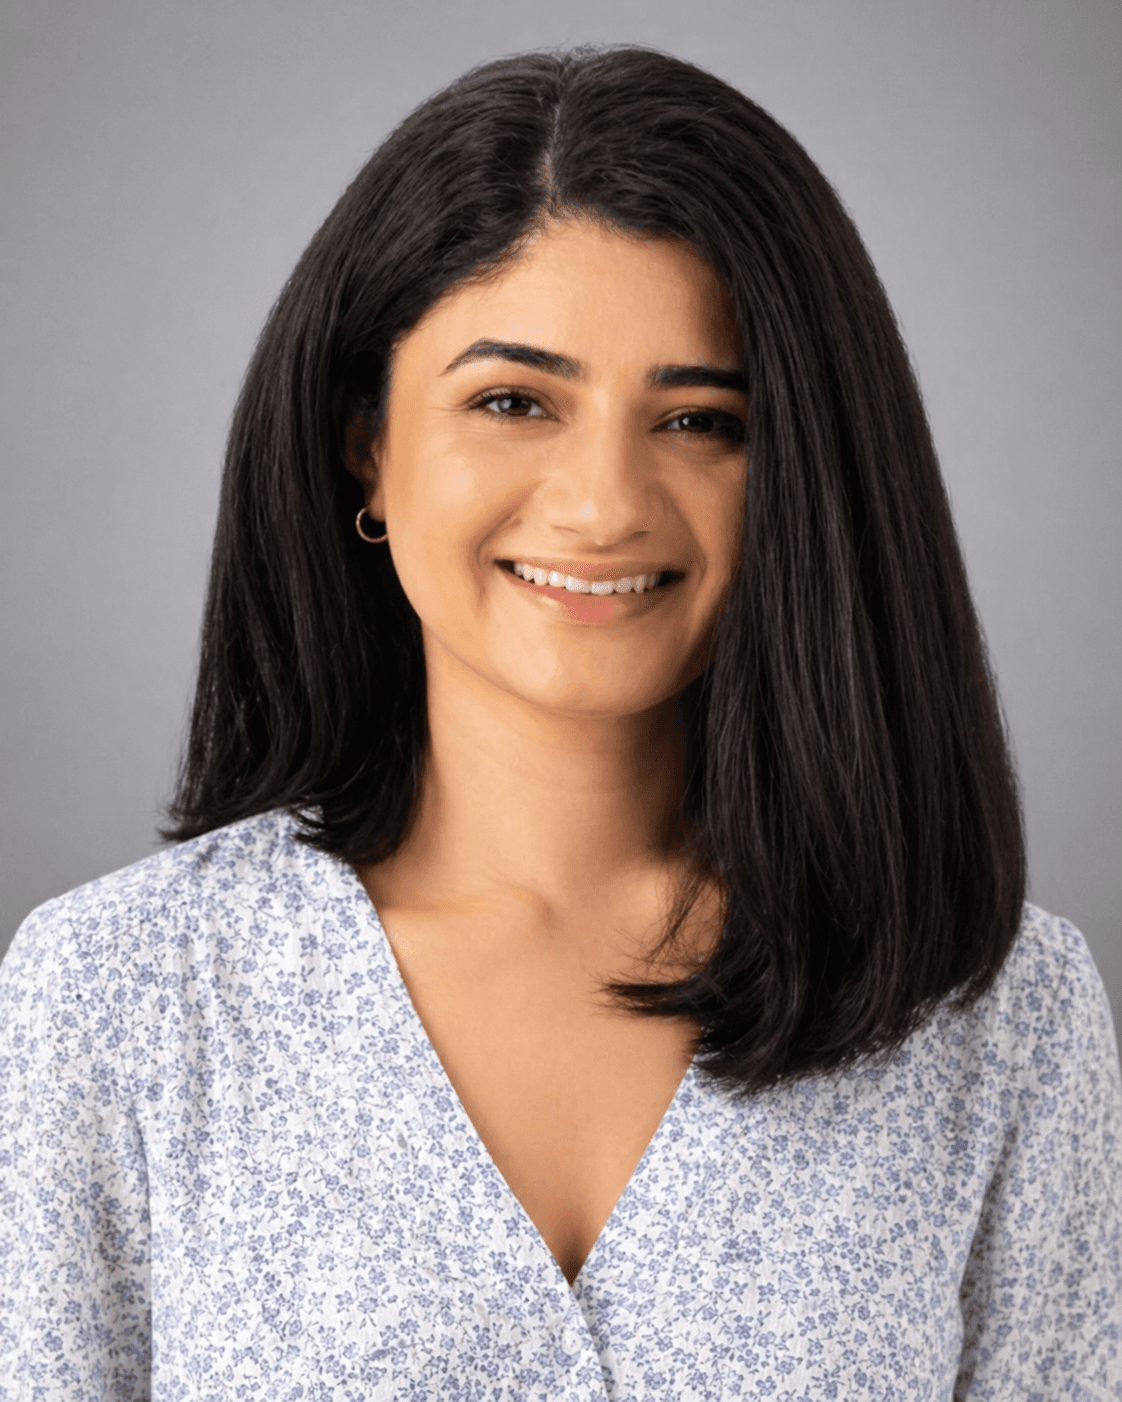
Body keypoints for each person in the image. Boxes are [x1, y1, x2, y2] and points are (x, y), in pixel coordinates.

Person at [1, 44, 1118, 1400]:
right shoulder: (112, 993)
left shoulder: (997, 1008)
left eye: (702, 420)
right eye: (513, 401)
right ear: (366, 438)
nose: (600, 502)